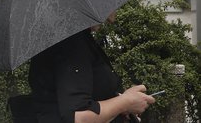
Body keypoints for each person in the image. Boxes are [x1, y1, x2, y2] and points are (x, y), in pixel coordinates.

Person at [27, 12, 156, 123]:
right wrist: (125, 102)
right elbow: (78, 116)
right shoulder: (71, 43)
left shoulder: (75, 38)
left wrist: (121, 106)